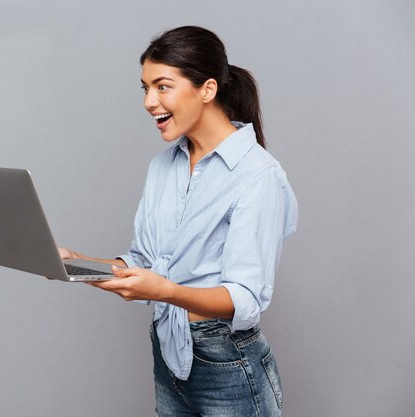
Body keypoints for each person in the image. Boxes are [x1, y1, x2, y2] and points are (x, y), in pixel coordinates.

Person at [59, 26, 298, 417]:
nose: (149, 101)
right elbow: (143, 264)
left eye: (162, 86)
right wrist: (72, 263)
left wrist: (166, 291)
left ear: (206, 89)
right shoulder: (162, 168)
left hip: (229, 365)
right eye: (144, 88)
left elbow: (245, 300)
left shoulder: (258, 175)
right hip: (168, 354)